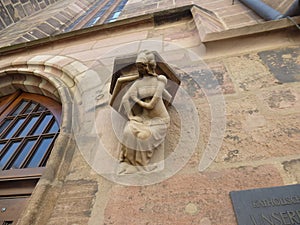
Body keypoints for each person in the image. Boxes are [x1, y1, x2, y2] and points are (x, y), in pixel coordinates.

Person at [117, 50, 171, 174]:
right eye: (138, 67)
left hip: (159, 121)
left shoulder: (160, 80)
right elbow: (125, 99)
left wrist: (136, 99)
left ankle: (143, 166)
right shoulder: (138, 83)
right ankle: (129, 164)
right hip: (143, 119)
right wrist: (131, 117)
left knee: (143, 137)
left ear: (149, 66)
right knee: (127, 132)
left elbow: (151, 105)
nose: (140, 69)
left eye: (141, 66)